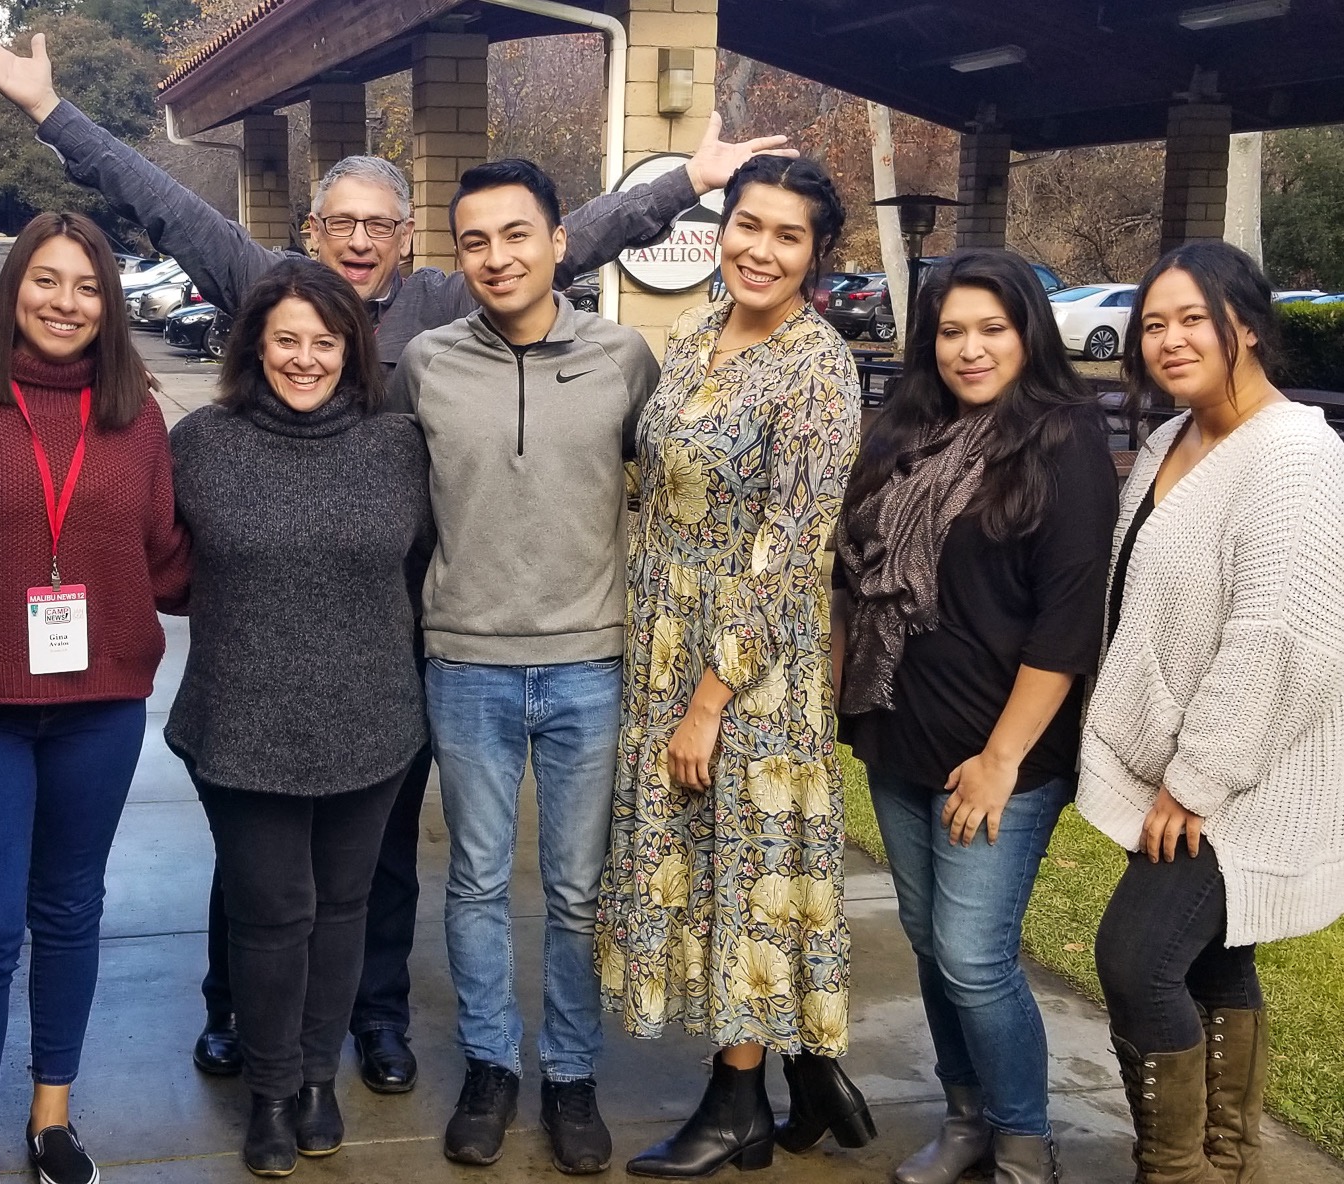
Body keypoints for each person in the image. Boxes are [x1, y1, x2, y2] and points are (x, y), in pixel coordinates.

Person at [0, 26, 792, 1094]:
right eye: (338, 221)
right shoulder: (267, 284)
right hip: (270, 627)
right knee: (257, 857)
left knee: (381, 848)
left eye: (377, 224)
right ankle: (233, 1011)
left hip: (400, 629)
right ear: (311, 228)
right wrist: (47, 113)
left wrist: (685, 180)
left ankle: (375, 1015)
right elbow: (162, 201)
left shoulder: (445, 309)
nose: (356, 240)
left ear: (403, 238)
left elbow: (566, 242)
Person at [595, 155, 870, 1178]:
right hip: (666, 634)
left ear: (815, 254)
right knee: (704, 864)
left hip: (747, 670)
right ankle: (801, 1075)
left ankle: (736, 1104)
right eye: (746, 224)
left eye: (785, 235)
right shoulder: (695, 332)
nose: (757, 248)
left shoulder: (816, 365)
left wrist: (708, 699)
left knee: (744, 870)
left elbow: (789, 551)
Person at [0, 211, 189, 1184]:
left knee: (69, 910)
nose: (65, 302)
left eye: (87, 285)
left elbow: (164, 554)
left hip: (99, 703)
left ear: (108, 302)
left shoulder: (136, 414)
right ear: (11, 286)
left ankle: (51, 1117)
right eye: (45, 280)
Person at [390, 158, 661, 1175]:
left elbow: (677, 484)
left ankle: (570, 1073)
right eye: (473, 241)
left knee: (576, 889)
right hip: (464, 662)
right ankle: (490, 1066)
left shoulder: (623, 355)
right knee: (470, 880)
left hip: (589, 660)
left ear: (557, 241)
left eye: (515, 235)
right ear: (454, 256)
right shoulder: (423, 361)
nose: (495, 257)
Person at [836, 249, 1118, 1184]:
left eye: (992, 329)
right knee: (927, 941)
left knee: (973, 953)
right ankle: (966, 1120)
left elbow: (1069, 619)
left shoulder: (1062, 441)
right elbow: (854, 574)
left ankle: (1025, 1141)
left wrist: (1001, 758)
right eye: (951, 331)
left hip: (1001, 753)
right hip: (898, 730)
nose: (970, 349)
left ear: (1028, 332)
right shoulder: (905, 433)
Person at [1080, 240, 1344, 1184]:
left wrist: (1196, 783)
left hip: (1244, 778)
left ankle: (1178, 1171)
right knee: (1213, 962)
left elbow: (1281, 641)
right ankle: (1227, 1160)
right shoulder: (1172, 439)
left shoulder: (1295, 456)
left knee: (1137, 959)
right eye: (1154, 324)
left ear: (1248, 325)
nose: (1169, 339)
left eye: (1193, 318)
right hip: (1179, 764)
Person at [167, 258, 431, 1177]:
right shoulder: (201, 442)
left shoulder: (398, 446)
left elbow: (420, 568)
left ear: (354, 351)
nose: (306, 359)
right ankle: (274, 1090)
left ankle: (321, 1076)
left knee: (344, 909)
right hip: (242, 725)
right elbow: (160, 564)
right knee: (272, 915)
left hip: (372, 721)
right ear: (255, 345)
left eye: (325, 342)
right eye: (286, 339)